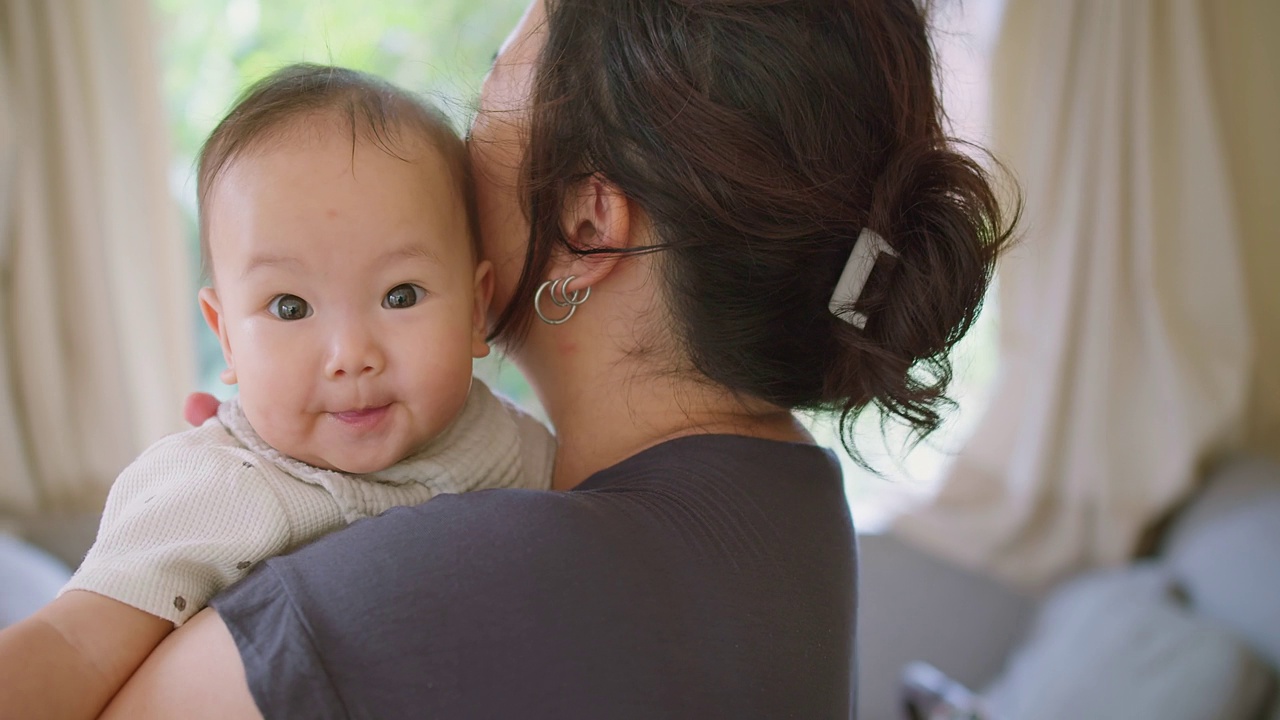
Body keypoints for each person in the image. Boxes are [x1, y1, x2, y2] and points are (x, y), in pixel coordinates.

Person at [103, 0, 1016, 717]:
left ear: (585, 229)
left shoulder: (438, 585)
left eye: (501, 67)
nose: (463, 140)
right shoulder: (789, 499)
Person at [0, 64, 553, 719]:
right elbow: (73, 645)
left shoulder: (509, 443)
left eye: (399, 296)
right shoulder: (215, 490)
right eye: (290, 307)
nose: (351, 356)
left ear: (474, 310)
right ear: (226, 337)